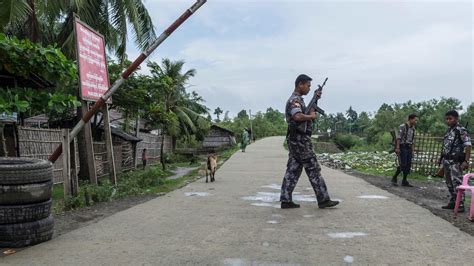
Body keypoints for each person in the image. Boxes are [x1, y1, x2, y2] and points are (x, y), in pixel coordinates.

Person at [280, 74, 339, 209]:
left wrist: (315, 99)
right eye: (308, 85)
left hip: (296, 140)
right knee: (313, 168)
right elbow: (297, 116)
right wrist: (311, 116)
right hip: (300, 141)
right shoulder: (294, 100)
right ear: (300, 84)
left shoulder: (299, 100)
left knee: (293, 169)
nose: (308, 88)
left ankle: (285, 199)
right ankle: (323, 199)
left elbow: (306, 111)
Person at [440, 110, 471, 212]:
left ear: (456, 119)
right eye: (447, 119)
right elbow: (446, 145)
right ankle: (453, 201)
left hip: (456, 162)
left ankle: (460, 204)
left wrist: (466, 161)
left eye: (450, 119)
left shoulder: (461, 130)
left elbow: (468, 145)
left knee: (457, 182)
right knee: (449, 182)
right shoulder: (449, 130)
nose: (448, 121)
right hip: (447, 160)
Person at [391, 114, 418, 187]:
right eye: (415, 120)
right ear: (410, 119)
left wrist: (412, 150)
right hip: (403, 147)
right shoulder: (403, 126)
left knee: (408, 164)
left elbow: (412, 140)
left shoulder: (413, 128)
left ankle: (404, 180)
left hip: (409, 147)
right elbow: (398, 138)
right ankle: (394, 177)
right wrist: (397, 148)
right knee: (403, 164)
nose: (416, 121)